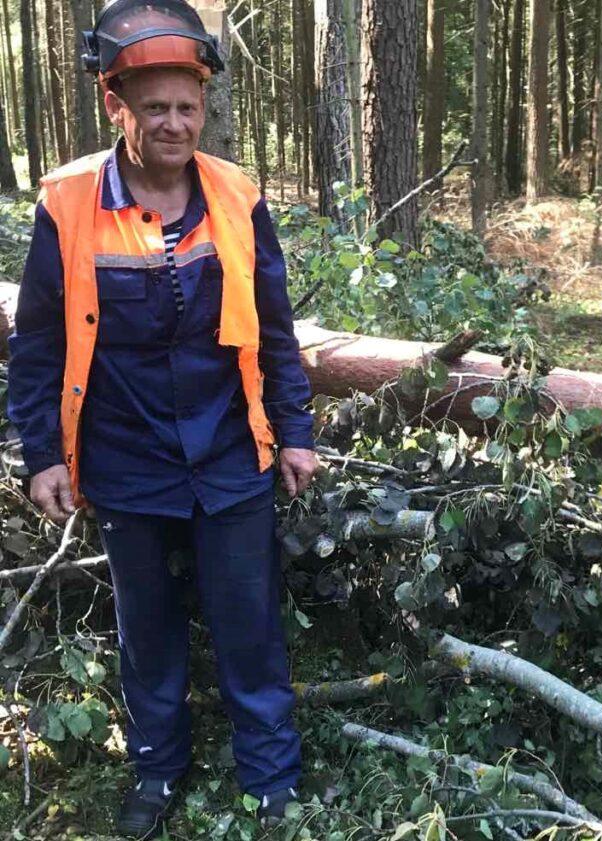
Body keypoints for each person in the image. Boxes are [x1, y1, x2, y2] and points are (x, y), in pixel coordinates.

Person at [6, 1, 316, 836]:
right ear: (118, 106)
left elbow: (275, 328)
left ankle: (271, 776)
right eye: (155, 108)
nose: (174, 123)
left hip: (229, 447)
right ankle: (157, 770)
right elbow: (35, 344)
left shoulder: (237, 197)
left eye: (187, 106)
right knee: (145, 629)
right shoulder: (69, 203)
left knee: (248, 621)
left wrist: (295, 431)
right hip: (123, 453)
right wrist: (42, 454)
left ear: (204, 106)